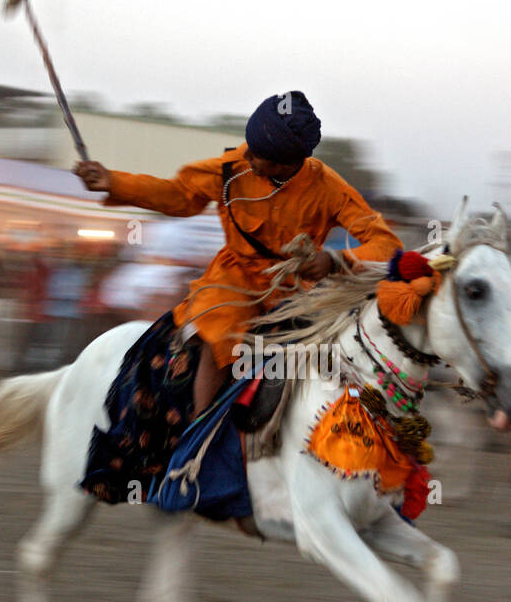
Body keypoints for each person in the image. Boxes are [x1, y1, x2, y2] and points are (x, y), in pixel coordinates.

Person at [73, 91, 401, 414]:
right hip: (234, 279)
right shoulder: (231, 168)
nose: (248, 157)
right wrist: (113, 182)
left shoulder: (330, 189)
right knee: (221, 332)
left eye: (259, 156)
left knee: (342, 356)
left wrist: (336, 260)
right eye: (250, 148)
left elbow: (387, 247)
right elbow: (178, 194)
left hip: (297, 291)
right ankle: (197, 440)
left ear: (288, 164)